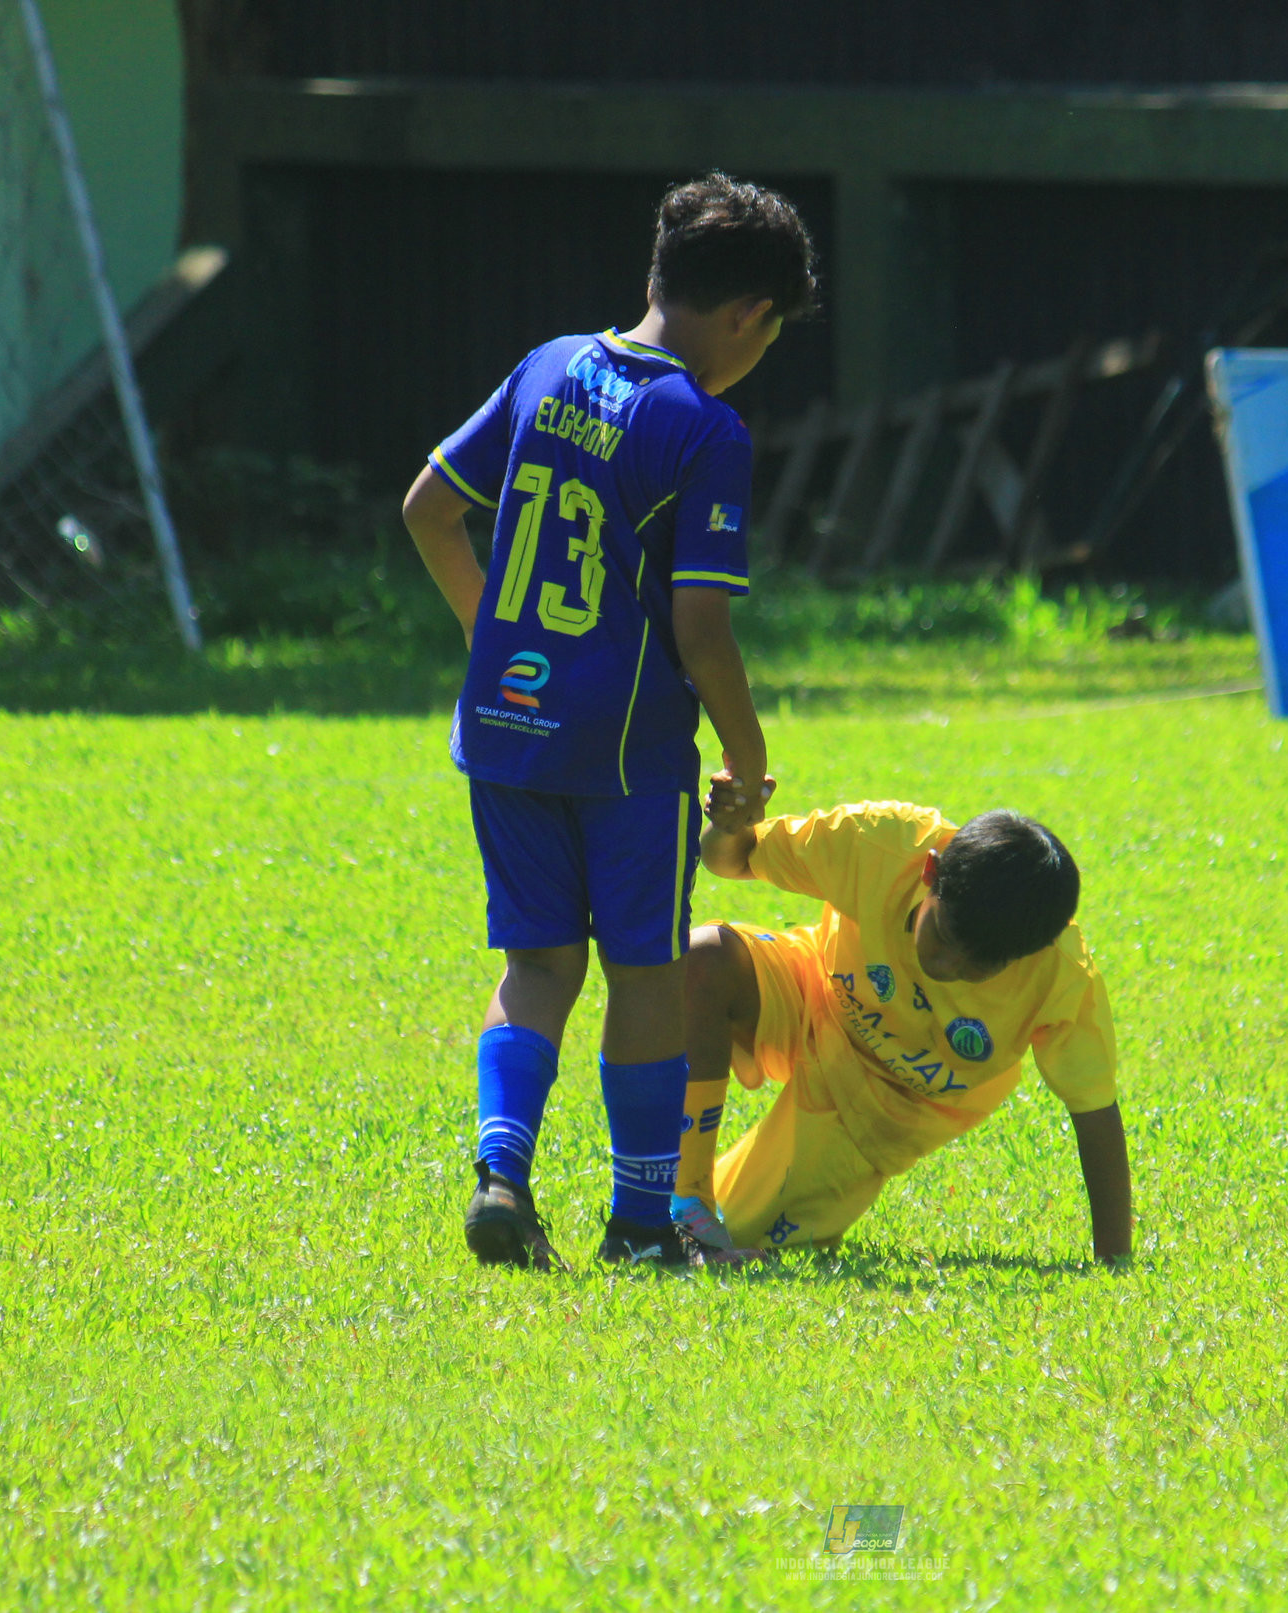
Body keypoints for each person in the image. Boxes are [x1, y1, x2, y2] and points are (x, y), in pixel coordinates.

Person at [399, 173, 816, 1270]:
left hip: (505, 721)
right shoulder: (705, 430)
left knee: (537, 964)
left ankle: (501, 1175)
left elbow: (428, 510)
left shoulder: (546, 366)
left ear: (655, 274)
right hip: (624, 749)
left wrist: (494, 637)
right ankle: (637, 1225)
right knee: (644, 971)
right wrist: (747, 755)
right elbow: (700, 629)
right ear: (750, 317)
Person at [668, 794, 1134, 1265]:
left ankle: (718, 1210)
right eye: (944, 936)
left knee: (738, 1231)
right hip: (818, 994)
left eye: (979, 966)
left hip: (888, 1100)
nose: (945, 967)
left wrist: (1113, 1263)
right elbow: (731, 859)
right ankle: (688, 1201)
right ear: (930, 871)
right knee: (703, 960)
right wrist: (728, 826)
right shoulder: (881, 842)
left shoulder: (1061, 974)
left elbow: (1094, 1109)